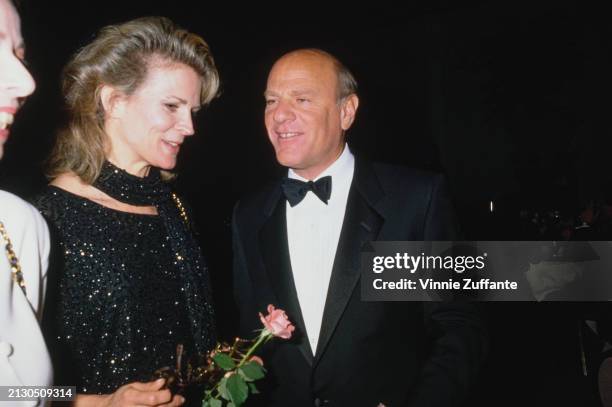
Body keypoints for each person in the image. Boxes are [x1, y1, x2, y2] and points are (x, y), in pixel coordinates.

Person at [232, 49, 487, 407]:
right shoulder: (249, 214)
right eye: (271, 100)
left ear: (346, 111)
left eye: (301, 99)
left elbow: (459, 326)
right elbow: (248, 336)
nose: (279, 114)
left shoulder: (416, 200)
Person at [34, 16, 218, 407]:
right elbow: (12, 390)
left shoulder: (175, 209)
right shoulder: (45, 219)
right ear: (113, 101)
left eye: (193, 111)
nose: (189, 127)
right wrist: (98, 403)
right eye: (172, 106)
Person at [0, 0, 53, 401]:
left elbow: (19, 394)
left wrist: (97, 401)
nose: (27, 82)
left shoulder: (19, 226)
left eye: (19, 54)